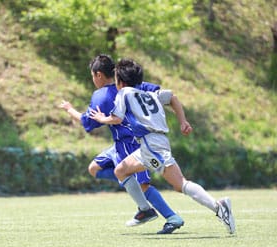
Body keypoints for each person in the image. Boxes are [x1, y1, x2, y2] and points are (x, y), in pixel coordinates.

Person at [89, 58, 235, 234]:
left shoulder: (124, 93)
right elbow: (173, 97)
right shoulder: (151, 94)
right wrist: (183, 121)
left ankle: (219, 208)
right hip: (154, 143)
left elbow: (117, 118)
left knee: (180, 184)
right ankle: (145, 209)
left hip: (152, 146)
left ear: (120, 81)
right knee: (121, 170)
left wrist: (101, 118)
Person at [59, 54, 184, 234]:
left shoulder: (100, 95)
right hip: (118, 145)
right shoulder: (137, 85)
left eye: (92, 76)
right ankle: (129, 183)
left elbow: (88, 122)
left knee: (142, 186)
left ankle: (171, 217)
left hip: (132, 142)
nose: (93, 79)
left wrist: (70, 109)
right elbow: (160, 95)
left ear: (99, 75)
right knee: (95, 168)